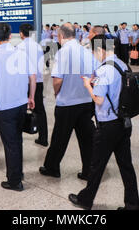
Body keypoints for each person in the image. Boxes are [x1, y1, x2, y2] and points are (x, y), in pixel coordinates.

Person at [68, 34, 139, 210]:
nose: (94, 55)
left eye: (94, 51)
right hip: (123, 122)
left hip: (108, 125)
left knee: (96, 165)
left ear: (100, 49)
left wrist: (88, 86)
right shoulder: (122, 64)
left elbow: (99, 100)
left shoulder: (103, 70)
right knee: (126, 166)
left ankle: (85, 200)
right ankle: (132, 205)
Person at [0, 22, 36, 191]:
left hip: (5, 107)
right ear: (11, 36)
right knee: (17, 140)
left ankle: (14, 181)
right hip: (21, 104)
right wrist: (31, 97)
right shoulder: (22, 54)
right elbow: (32, 77)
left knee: (10, 143)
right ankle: (18, 172)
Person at [40, 22, 96, 180]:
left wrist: (57, 94)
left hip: (67, 103)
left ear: (61, 36)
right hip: (86, 101)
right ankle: (88, 171)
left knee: (59, 138)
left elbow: (57, 80)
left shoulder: (62, 52)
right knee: (87, 140)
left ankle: (52, 168)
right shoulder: (86, 52)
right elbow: (94, 76)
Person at [17, 23, 48, 146]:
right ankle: (43, 138)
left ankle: (18, 139)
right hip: (38, 81)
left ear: (21, 33)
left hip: (24, 83)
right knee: (40, 111)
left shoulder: (19, 47)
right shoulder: (38, 46)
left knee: (20, 111)